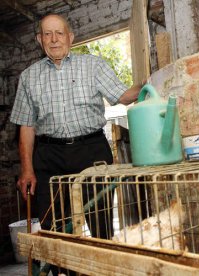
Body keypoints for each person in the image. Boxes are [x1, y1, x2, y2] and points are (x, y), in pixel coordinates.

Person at [10, 13, 143, 273]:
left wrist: (151, 84)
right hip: (48, 155)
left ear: (71, 37)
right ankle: (66, 271)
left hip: (91, 150)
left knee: (100, 219)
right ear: (39, 40)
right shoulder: (28, 77)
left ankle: (103, 270)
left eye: (59, 33)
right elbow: (26, 125)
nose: (54, 39)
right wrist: (27, 169)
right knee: (55, 227)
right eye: (47, 34)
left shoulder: (93, 65)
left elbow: (123, 96)